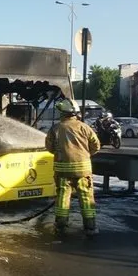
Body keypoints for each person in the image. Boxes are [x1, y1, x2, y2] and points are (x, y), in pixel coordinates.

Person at [45, 99, 101, 237]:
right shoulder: (84, 127)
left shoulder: (56, 128)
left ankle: (61, 225)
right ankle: (90, 227)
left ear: (62, 113)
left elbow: (49, 148)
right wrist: (85, 154)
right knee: (87, 198)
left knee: (63, 198)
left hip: (62, 171)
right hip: (83, 171)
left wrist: (61, 154)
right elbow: (96, 146)